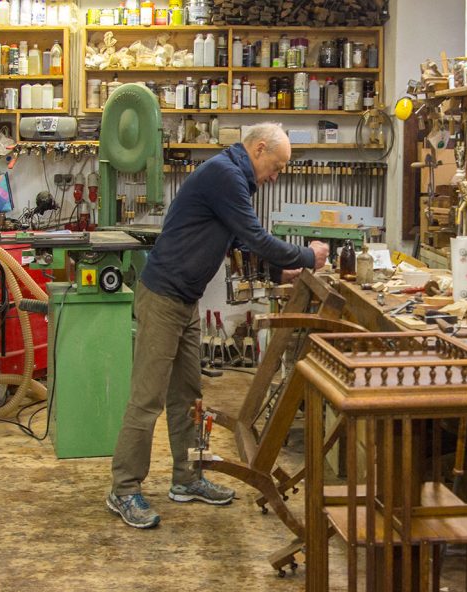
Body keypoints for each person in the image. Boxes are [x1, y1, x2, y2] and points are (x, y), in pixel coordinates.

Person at [106, 122, 329, 529]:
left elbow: (241, 243)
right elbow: (258, 237)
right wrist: (308, 256)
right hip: (162, 298)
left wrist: (282, 275)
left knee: (187, 395)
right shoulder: (225, 175)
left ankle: (187, 478)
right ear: (259, 149)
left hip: (185, 300)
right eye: (276, 167)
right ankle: (123, 489)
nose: (276, 176)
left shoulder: (235, 177)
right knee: (147, 399)